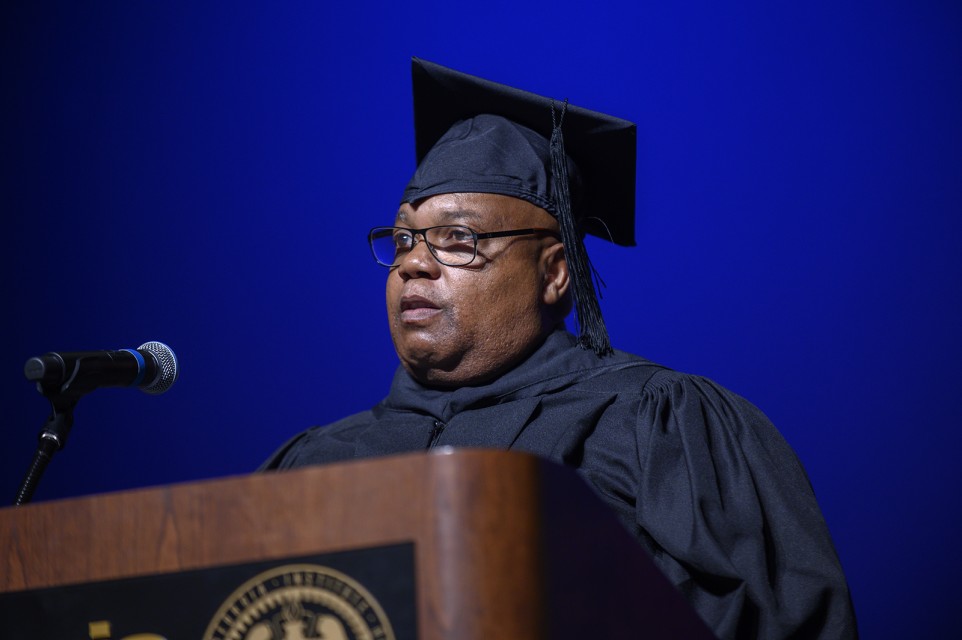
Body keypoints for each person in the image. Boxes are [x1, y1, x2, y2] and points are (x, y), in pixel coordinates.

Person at [262, 58, 858, 639]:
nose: (414, 262)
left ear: (554, 273)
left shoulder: (656, 430)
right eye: (402, 240)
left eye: (458, 238)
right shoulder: (313, 464)